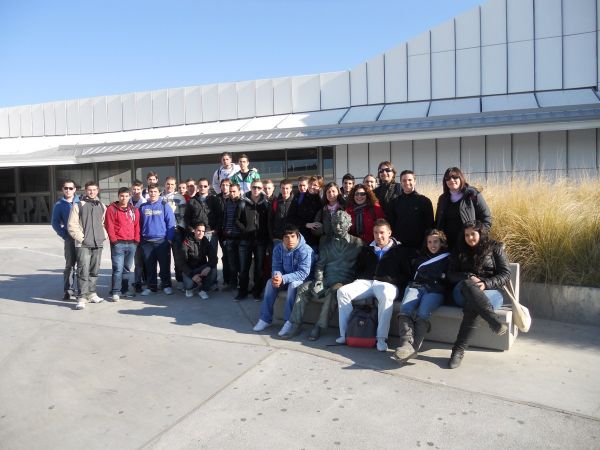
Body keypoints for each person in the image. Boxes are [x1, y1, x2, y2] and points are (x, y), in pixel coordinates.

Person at [281, 211, 363, 341]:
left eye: (341, 223)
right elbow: (320, 265)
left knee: (334, 292)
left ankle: (319, 326)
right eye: (335, 223)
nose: (337, 227)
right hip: (326, 280)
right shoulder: (327, 242)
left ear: (349, 224)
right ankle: (296, 324)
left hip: (343, 282)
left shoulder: (357, 243)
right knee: (303, 288)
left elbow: (362, 266)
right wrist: (319, 280)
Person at [336, 219, 410, 351]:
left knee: (386, 295)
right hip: (367, 282)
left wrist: (391, 280)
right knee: (342, 292)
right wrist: (359, 280)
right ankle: (346, 333)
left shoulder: (400, 251)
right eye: (376, 232)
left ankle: (381, 339)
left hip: (388, 284)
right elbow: (358, 269)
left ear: (389, 233)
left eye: (382, 232)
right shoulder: (367, 249)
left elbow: (406, 274)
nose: (378, 236)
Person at [446, 221, 510, 369]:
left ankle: (458, 350)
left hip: (491, 292)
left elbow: (505, 274)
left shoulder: (495, 248)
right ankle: (493, 321)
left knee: (473, 304)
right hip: (462, 291)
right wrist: (468, 276)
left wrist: (485, 284)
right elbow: (451, 274)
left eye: (473, 234)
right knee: (469, 285)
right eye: (466, 235)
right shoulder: (459, 250)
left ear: (480, 234)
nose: (470, 238)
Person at [393, 229, 450, 362]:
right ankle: (406, 344)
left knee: (423, 312)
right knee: (405, 309)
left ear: (442, 242)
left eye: (436, 241)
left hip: (435, 290)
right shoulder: (420, 257)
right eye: (429, 242)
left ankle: (413, 348)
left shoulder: (448, 258)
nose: (432, 245)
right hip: (416, 287)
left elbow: (449, 278)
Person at [253, 224, 314, 336]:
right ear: (282, 238)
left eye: (292, 236)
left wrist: (283, 278)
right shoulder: (278, 248)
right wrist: (276, 276)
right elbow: (276, 266)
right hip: (284, 278)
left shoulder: (305, 250)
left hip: (304, 280)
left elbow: (304, 273)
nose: (290, 240)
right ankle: (265, 319)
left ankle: (288, 321)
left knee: (293, 285)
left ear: (297, 236)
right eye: (286, 237)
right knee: (269, 283)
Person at [68, 181, 107, 310]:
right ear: (85, 191)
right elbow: (72, 225)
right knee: (82, 270)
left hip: (97, 243)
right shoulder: (78, 205)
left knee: (94, 270)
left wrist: (103, 236)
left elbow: (103, 223)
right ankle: (82, 297)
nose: (92, 192)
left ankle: (91, 293)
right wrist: (82, 239)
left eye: (94, 190)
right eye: (89, 190)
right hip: (83, 245)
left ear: (98, 190)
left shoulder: (101, 205)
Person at [435, 167, 492, 250]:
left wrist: (480, 237)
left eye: (455, 177)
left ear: (461, 178)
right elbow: (438, 221)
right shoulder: (442, 198)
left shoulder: (472, 194)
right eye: (448, 178)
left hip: (469, 244)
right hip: (448, 245)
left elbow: (486, 217)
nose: (451, 180)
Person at [139, 184, 176, 296]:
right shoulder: (143, 207)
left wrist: (169, 239)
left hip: (162, 241)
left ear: (159, 192)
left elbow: (171, 223)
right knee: (150, 266)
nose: (153, 194)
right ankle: (152, 287)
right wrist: (141, 239)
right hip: (147, 242)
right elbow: (139, 224)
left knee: (164, 265)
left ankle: (166, 285)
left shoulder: (165, 206)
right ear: (148, 193)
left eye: (155, 191)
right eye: (151, 191)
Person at [235, 180, 269, 300]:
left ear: (261, 189)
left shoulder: (265, 203)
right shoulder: (243, 202)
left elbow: (268, 222)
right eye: (254, 187)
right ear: (250, 187)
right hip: (245, 240)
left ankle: (257, 291)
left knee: (259, 268)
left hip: (260, 241)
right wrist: (245, 230)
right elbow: (237, 220)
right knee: (244, 268)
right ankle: (242, 291)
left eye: (259, 188)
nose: (256, 190)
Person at [104, 187, 140, 301]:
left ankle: (125, 289)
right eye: (121, 196)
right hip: (118, 243)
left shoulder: (134, 210)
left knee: (127, 268)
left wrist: (136, 240)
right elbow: (109, 225)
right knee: (118, 268)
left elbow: (137, 226)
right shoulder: (112, 209)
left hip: (131, 244)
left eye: (126, 196)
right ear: (118, 196)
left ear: (130, 196)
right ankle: (115, 291)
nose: (124, 198)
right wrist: (114, 240)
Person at [388, 170, 434, 256]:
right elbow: (391, 223)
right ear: (401, 183)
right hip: (400, 246)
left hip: (419, 247)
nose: (407, 183)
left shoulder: (424, 201)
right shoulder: (395, 202)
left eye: (409, 180)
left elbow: (430, 225)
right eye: (404, 180)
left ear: (415, 181)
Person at [51, 179, 80, 300]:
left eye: (71, 188)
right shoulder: (59, 205)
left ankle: (80, 290)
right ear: (62, 189)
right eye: (66, 188)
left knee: (82, 265)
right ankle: (67, 290)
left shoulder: (81, 202)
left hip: (81, 238)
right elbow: (55, 223)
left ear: (75, 190)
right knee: (70, 265)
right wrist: (64, 234)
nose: (68, 190)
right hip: (69, 239)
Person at [175, 222, 218, 299]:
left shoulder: (205, 241)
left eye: (203, 231)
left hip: (201, 269)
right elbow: (181, 262)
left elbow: (214, 257)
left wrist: (208, 267)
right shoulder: (186, 242)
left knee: (213, 270)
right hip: (189, 270)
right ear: (194, 231)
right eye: (198, 230)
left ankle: (202, 290)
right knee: (189, 284)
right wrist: (192, 275)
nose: (201, 233)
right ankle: (189, 289)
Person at [288, 176, 322, 250]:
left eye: (315, 185)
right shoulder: (300, 197)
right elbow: (291, 217)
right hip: (302, 239)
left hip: (317, 240)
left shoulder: (322, 199)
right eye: (310, 184)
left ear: (320, 187)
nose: (311, 187)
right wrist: (306, 224)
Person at [221, 183, 243, 291]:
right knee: (231, 262)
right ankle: (233, 283)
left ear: (239, 191)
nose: (232, 193)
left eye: (234, 191)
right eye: (231, 191)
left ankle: (242, 284)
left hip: (240, 237)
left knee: (241, 262)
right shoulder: (227, 202)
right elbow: (225, 218)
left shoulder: (243, 203)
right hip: (229, 237)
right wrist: (225, 230)